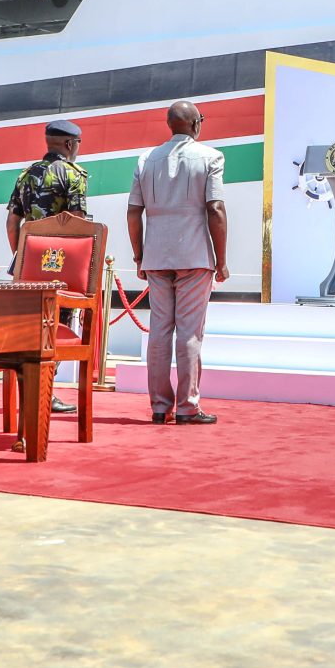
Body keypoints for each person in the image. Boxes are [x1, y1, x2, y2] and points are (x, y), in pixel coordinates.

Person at [126, 100, 228, 425]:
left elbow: (133, 212)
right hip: (194, 255)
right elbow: (215, 209)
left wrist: (139, 255)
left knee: (159, 331)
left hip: (156, 256)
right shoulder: (211, 157)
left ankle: (159, 406)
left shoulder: (146, 159)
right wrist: (221, 260)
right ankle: (187, 407)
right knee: (189, 332)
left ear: (170, 125)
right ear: (196, 124)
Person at [7, 120, 90, 252]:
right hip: (59, 257)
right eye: (78, 141)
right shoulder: (73, 174)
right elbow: (77, 221)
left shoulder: (26, 175)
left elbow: (12, 223)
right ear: (69, 144)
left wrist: (19, 258)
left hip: (31, 255)